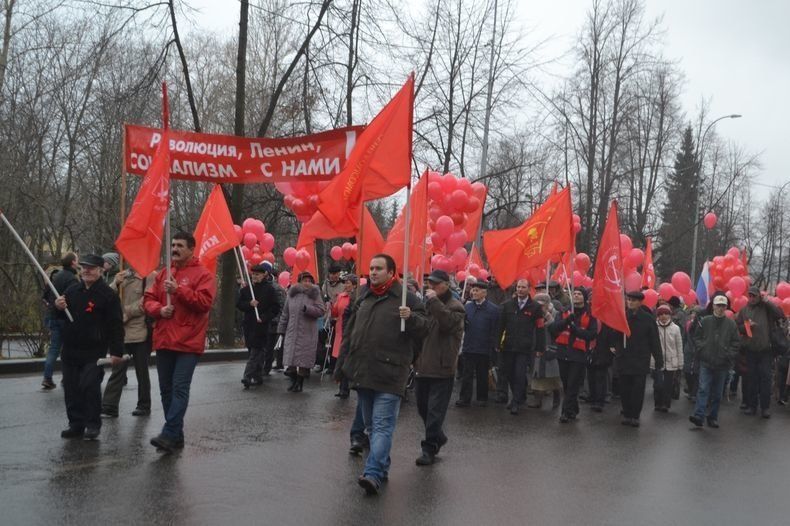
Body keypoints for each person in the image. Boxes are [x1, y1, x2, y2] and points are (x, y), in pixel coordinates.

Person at [340, 254, 428, 495]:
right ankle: (382, 466)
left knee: (381, 426)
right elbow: (351, 333)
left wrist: (410, 318)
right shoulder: (364, 297)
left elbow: (425, 329)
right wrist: (344, 365)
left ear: (391, 272)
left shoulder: (406, 298)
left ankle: (373, 474)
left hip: (391, 374)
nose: (373, 272)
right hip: (363, 372)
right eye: (371, 268)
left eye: (378, 268)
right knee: (371, 427)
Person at [144, 232, 216, 453]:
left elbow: (204, 303)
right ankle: (176, 436)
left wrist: (179, 290)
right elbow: (148, 300)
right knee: (166, 389)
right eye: (173, 245)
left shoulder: (204, 275)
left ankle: (169, 432)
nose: (174, 249)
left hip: (188, 343)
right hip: (165, 339)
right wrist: (159, 310)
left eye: (180, 246)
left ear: (191, 249)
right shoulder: (165, 273)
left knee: (179, 388)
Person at [54, 254, 124, 440]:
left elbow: (116, 324)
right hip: (70, 349)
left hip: (94, 351)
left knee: (89, 386)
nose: (86, 270)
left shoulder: (108, 295)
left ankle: (92, 425)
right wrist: (57, 307)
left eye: (91, 268)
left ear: (100, 270)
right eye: (84, 267)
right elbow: (59, 316)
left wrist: (117, 351)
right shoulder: (72, 290)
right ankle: (75, 424)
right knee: (71, 387)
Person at [412, 269, 465, 466]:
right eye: (429, 283)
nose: (430, 287)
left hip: (443, 368)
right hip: (423, 365)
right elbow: (421, 330)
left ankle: (429, 448)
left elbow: (448, 324)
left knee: (435, 411)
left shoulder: (456, 306)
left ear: (446, 284)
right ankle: (438, 436)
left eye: (435, 284)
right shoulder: (427, 305)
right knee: (422, 407)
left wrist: (434, 302)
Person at [100, 266, 155, 417]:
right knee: (117, 368)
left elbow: (148, 300)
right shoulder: (122, 276)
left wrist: (127, 313)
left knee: (141, 370)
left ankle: (144, 405)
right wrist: (115, 284)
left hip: (140, 331)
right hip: (121, 333)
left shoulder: (150, 275)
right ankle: (109, 406)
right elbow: (106, 298)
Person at [611, 290, 663, 427]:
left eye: (633, 300)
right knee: (624, 389)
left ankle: (635, 415)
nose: (630, 302)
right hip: (624, 358)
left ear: (640, 302)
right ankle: (627, 413)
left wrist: (659, 360)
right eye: (628, 300)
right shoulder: (622, 317)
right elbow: (614, 336)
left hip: (640, 359)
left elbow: (654, 341)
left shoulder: (648, 319)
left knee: (637, 390)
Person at [689, 295, 741, 428]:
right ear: (713, 306)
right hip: (706, 362)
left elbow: (736, 343)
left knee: (717, 394)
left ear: (726, 307)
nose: (720, 308)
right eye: (718, 305)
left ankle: (712, 417)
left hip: (722, 364)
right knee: (703, 389)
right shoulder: (705, 321)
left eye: (723, 305)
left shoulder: (731, 324)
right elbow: (697, 337)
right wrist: (703, 350)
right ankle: (699, 416)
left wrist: (728, 355)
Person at [497, 278, 546, 415]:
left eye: (523, 287)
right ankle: (520, 395)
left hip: (525, 348)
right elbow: (500, 326)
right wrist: (497, 343)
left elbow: (540, 328)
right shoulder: (507, 305)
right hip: (508, 346)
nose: (520, 290)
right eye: (518, 287)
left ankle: (516, 401)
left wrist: (540, 348)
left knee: (519, 374)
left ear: (528, 289)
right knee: (510, 374)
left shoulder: (535, 307)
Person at [736, 286, 785, 418]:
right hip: (750, 351)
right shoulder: (744, 310)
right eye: (750, 296)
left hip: (766, 351)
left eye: (754, 296)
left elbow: (779, 314)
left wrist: (767, 301)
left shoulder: (766, 308)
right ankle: (752, 406)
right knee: (752, 379)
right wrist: (747, 327)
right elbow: (739, 326)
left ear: (759, 296)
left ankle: (765, 408)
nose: (751, 298)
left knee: (765, 380)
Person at [550, 287, 597, 423]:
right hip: (563, 352)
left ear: (584, 298)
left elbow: (592, 334)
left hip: (578, 354)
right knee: (566, 384)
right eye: (574, 294)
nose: (576, 296)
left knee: (572, 384)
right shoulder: (564, 312)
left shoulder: (590, 315)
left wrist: (577, 331)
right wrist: (566, 321)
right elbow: (553, 329)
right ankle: (573, 408)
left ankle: (564, 412)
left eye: (579, 294)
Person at [277, 271, 325, 392]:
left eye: (309, 281)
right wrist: (281, 329)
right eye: (305, 280)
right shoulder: (291, 294)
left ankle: (300, 383)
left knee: (303, 360)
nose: (307, 283)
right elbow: (285, 313)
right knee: (291, 359)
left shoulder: (315, 294)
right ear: (299, 282)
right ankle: (294, 381)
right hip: (292, 331)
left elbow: (321, 311)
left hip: (307, 332)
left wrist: (307, 309)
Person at [456, 280, 500, 408]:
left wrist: (494, 346)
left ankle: (482, 398)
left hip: (484, 347)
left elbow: (496, 329)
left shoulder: (493, 310)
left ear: (484, 293)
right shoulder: (467, 307)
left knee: (482, 374)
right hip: (469, 346)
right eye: (472, 290)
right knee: (467, 374)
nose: (473, 292)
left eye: (476, 290)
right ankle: (464, 398)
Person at [237, 261, 281, 388]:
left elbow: (275, 308)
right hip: (249, 325)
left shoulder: (270, 290)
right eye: (253, 274)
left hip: (262, 325)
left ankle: (247, 376)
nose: (255, 276)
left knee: (256, 350)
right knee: (255, 350)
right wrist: (249, 304)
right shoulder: (247, 289)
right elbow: (239, 304)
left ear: (264, 275)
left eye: (257, 274)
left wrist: (265, 317)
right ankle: (257, 375)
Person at [41, 252, 80, 389]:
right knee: (68, 349)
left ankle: (47, 377)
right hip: (64, 318)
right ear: (73, 263)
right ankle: (67, 376)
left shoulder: (57, 277)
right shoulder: (72, 279)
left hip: (53, 316)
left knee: (54, 349)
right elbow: (73, 300)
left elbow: (48, 296)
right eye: (77, 260)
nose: (78, 262)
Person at [530, 293, 562, 410]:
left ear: (547, 304)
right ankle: (538, 399)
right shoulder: (533, 314)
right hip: (537, 346)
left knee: (553, 375)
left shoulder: (555, 315)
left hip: (551, 347)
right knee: (537, 374)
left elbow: (557, 331)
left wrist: (548, 320)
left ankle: (557, 395)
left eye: (542, 305)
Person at [652, 304, 684, 412]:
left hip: (672, 360)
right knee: (658, 384)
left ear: (669, 315)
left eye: (666, 314)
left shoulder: (676, 328)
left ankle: (666, 404)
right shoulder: (654, 327)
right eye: (661, 314)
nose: (664, 316)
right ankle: (657, 403)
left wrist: (680, 363)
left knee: (668, 385)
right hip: (657, 360)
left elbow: (679, 346)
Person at [331, 273, 357, 398]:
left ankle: (345, 388)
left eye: (348, 283)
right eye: (345, 282)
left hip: (350, 331)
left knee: (346, 359)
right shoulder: (341, 296)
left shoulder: (357, 298)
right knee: (340, 359)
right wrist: (332, 305)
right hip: (339, 331)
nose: (346, 285)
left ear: (355, 285)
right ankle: (341, 386)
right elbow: (335, 312)